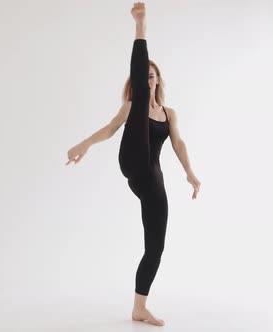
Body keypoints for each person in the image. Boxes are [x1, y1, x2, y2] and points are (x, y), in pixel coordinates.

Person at [66, 2, 201, 327]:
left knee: (155, 247)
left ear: (158, 79)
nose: (149, 79)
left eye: (152, 76)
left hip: (150, 177)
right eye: (144, 76)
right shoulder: (132, 104)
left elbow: (179, 144)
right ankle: (140, 27)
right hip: (131, 159)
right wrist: (84, 144)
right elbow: (111, 128)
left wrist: (190, 174)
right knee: (139, 104)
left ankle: (139, 307)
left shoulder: (170, 114)